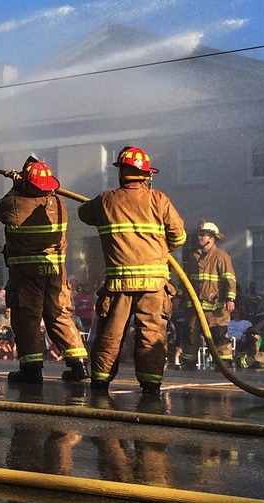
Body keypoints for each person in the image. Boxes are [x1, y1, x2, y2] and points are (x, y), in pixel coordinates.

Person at [76, 146, 186, 396]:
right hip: (154, 285)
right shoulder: (159, 200)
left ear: (121, 173)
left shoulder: (105, 201)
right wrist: (156, 247)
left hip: (119, 285)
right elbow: (178, 236)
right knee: (151, 335)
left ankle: (100, 383)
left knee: (111, 335)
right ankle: (150, 386)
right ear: (146, 175)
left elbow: (84, 214)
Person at [0, 156, 89, 384]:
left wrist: (16, 186)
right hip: (56, 273)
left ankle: (31, 370)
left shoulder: (14, 203)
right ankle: (79, 366)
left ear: (27, 183)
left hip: (27, 274)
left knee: (27, 319)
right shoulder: (59, 204)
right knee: (59, 317)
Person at [179, 221, 236, 370]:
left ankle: (223, 362)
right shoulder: (194, 257)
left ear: (212, 238)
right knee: (190, 334)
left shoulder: (222, 257)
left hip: (215, 308)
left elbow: (229, 279)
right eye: (198, 235)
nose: (199, 238)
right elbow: (185, 279)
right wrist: (179, 296)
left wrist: (230, 298)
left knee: (218, 335)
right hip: (195, 307)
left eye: (203, 235)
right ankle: (189, 362)